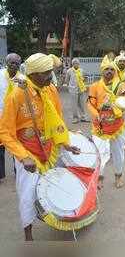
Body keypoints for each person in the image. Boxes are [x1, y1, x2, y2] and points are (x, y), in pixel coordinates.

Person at [0, 53, 80, 241]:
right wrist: (22, 156)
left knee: (53, 187)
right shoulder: (17, 95)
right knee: (27, 195)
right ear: (33, 73)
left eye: (51, 72)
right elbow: (5, 131)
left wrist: (65, 144)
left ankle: (58, 219)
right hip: (28, 153)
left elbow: (57, 119)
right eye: (46, 73)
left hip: (49, 149)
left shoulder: (50, 90)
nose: (50, 76)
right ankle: (28, 234)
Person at [87, 60, 125, 189]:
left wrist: (118, 104)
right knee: (100, 153)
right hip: (100, 126)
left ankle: (118, 176)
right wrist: (97, 113)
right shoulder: (94, 86)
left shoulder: (121, 86)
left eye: (111, 69)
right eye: (107, 69)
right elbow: (90, 104)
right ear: (102, 71)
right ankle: (100, 178)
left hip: (117, 125)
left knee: (118, 152)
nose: (109, 72)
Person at [0, 53, 22, 182]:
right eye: (11, 63)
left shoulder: (22, 79)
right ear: (6, 63)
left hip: (15, 117)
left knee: (17, 143)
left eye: (17, 63)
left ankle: (18, 170)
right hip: (0, 114)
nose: (14, 65)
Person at [64, 58, 89, 124]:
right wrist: (69, 87)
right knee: (74, 105)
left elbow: (85, 78)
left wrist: (83, 81)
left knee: (82, 104)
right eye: (74, 63)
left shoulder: (81, 71)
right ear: (72, 64)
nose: (76, 64)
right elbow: (67, 80)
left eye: (77, 63)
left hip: (81, 89)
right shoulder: (69, 71)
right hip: (73, 90)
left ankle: (83, 117)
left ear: (79, 64)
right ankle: (75, 118)